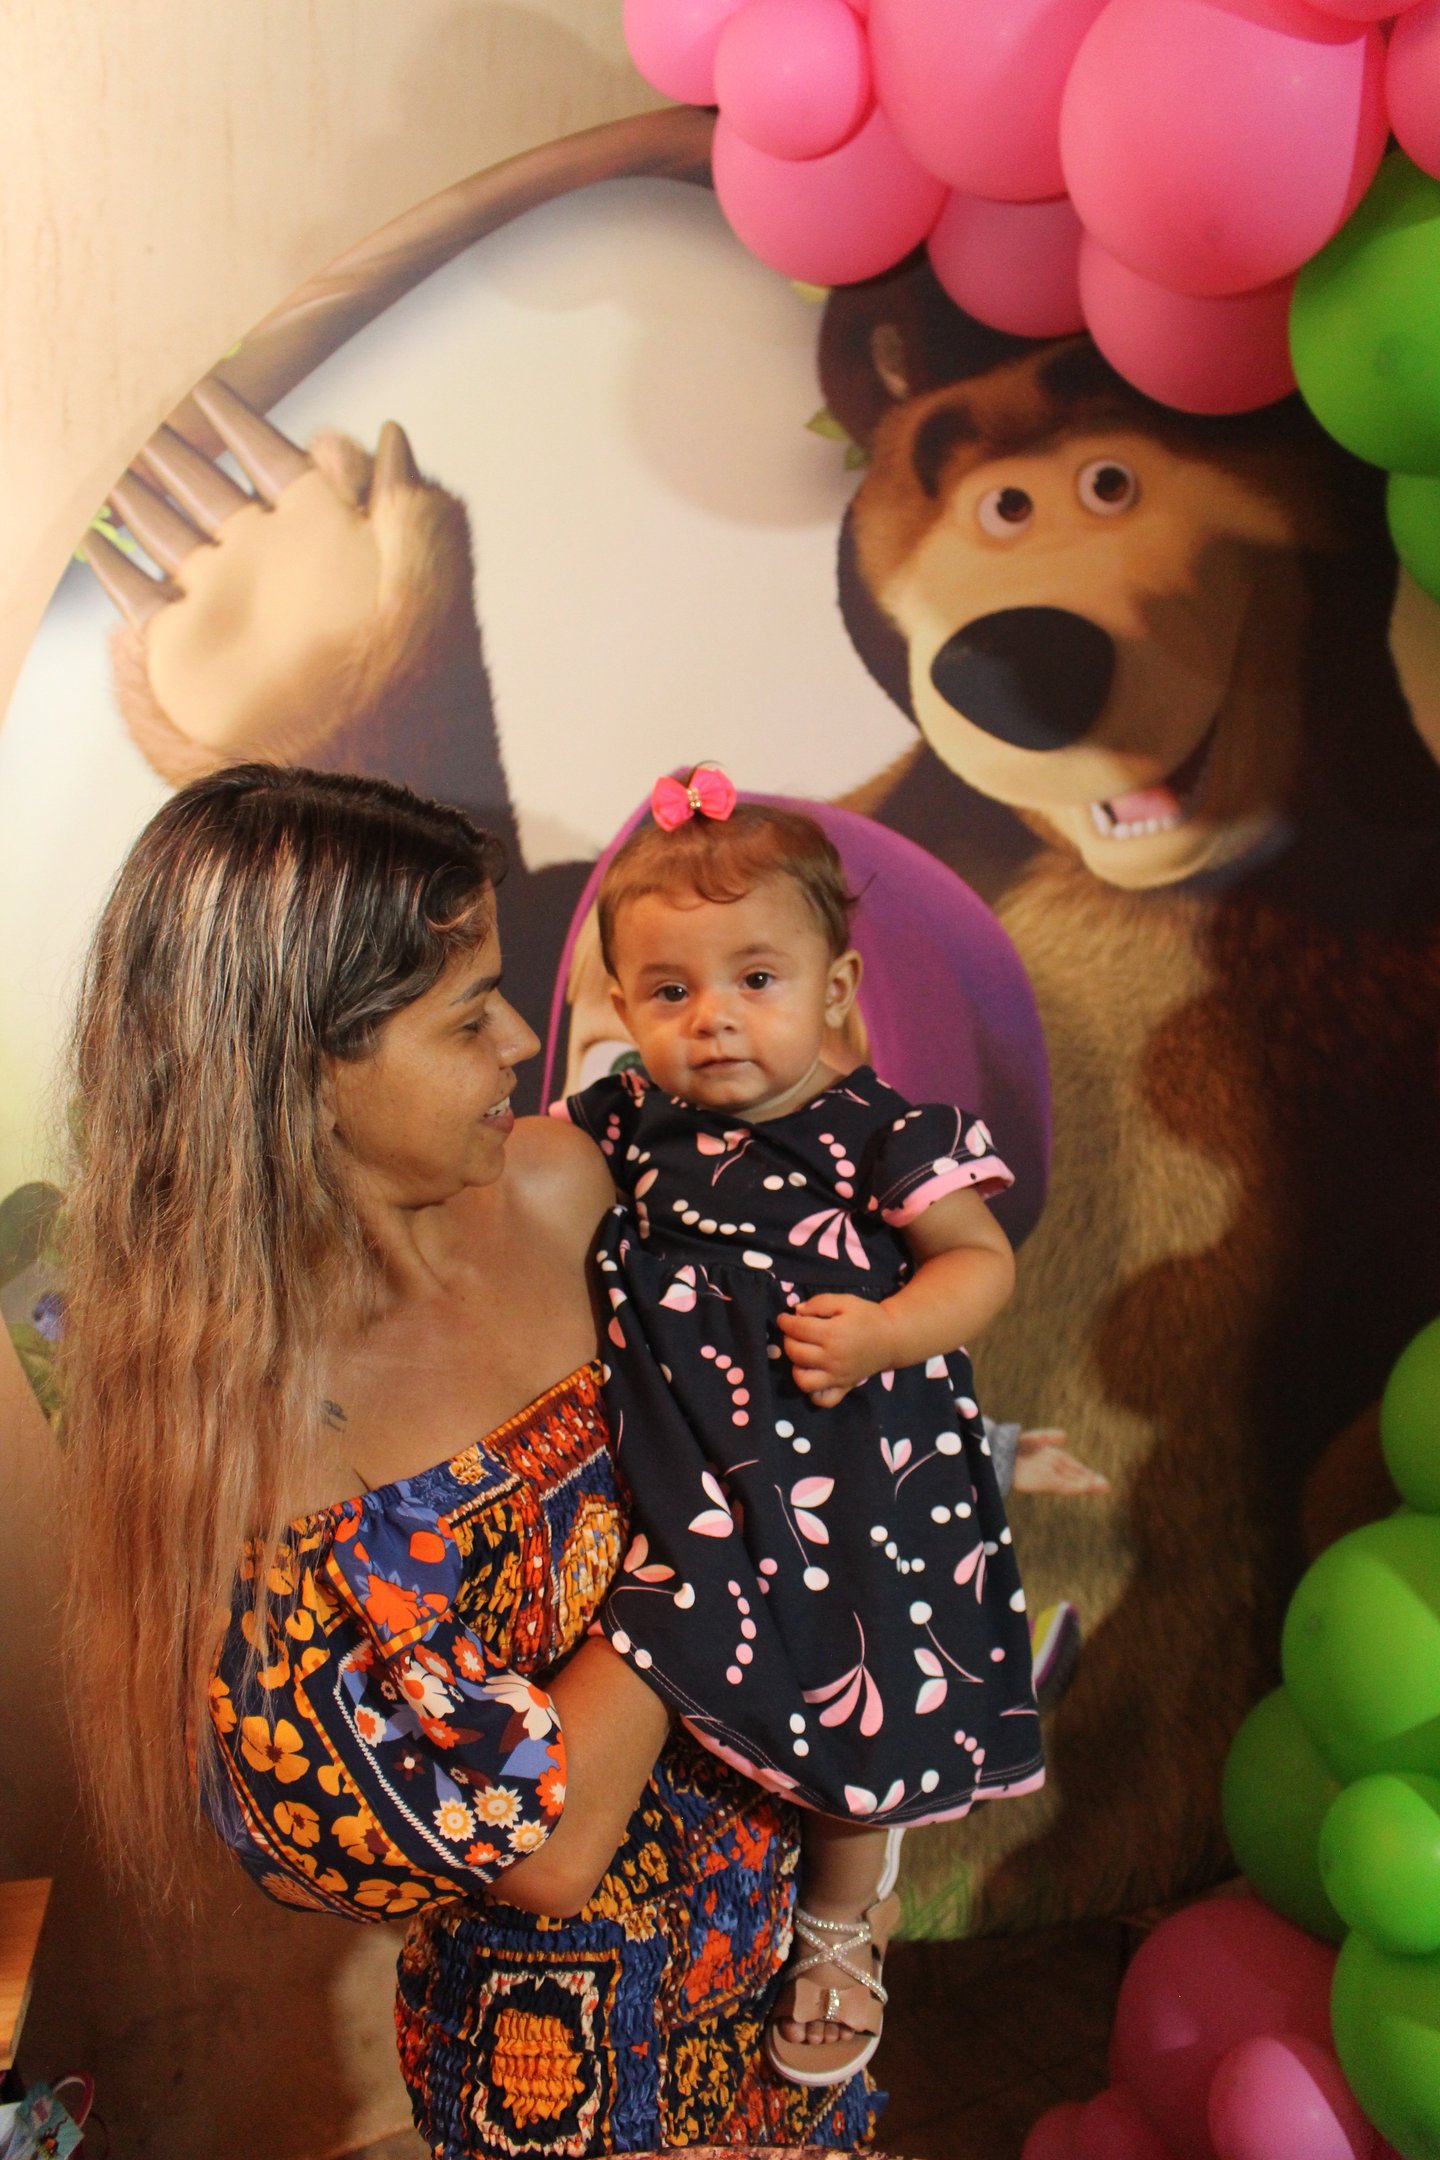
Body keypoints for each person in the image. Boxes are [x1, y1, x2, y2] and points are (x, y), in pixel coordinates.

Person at [57, 763, 880, 2157]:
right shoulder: (256, 1455)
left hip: (792, 1960)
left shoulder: (566, 1185)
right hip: (567, 2070)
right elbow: (543, 1846)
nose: (522, 1037)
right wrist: (730, 1525)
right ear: (302, 1073)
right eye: (464, 1015)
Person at [561, 768, 1068, 2089]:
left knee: (866, 1710)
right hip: (690, 1486)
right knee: (678, 1694)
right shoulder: (625, 1126)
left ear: (835, 989)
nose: (713, 1018)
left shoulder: (880, 1135)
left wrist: (888, 1330)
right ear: (621, 1007)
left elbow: (979, 1264)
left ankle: (843, 1926)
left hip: (859, 1495)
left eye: (756, 980)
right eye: (669, 991)